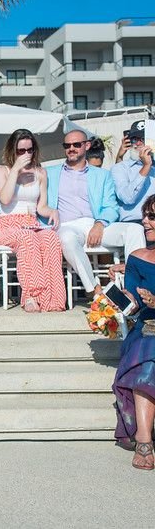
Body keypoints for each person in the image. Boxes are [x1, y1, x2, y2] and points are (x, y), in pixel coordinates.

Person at [46, 130, 145, 297]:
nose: (71, 148)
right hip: (67, 226)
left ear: (87, 145)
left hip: (97, 223)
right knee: (66, 238)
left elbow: (111, 206)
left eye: (76, 144)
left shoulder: (103, 175)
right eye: (67, 145)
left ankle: (136, 287)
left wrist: (100, 223)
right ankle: (94, 289)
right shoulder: (50, 173)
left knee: (134, 229)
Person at [0, 129, 65, 312]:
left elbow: (41, 207)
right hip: (7, 225)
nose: (26, 154)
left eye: (29, 150)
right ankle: (31, 295)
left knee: (51, 238)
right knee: (27, 239)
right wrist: (15, 170)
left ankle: (53, 299)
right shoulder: (2, 170)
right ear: (12, 151)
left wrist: (52, 211)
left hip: (32, 223)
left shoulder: (40, 172)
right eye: (21, 151)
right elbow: (5, 199)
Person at [113, 194, 155, 470]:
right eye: (145, 216)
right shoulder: (137, 258)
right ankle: (144, 440)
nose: (145, 221)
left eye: (151, 216)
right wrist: (125, 298)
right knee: (147, 352)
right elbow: (135, 307)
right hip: (148, 329)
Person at [112, 120, 154, 224]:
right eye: (134, 139)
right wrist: (146, 166)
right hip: (133, 223)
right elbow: (127, 198)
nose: (138, 143)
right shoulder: (119, 168)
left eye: (143, 139)